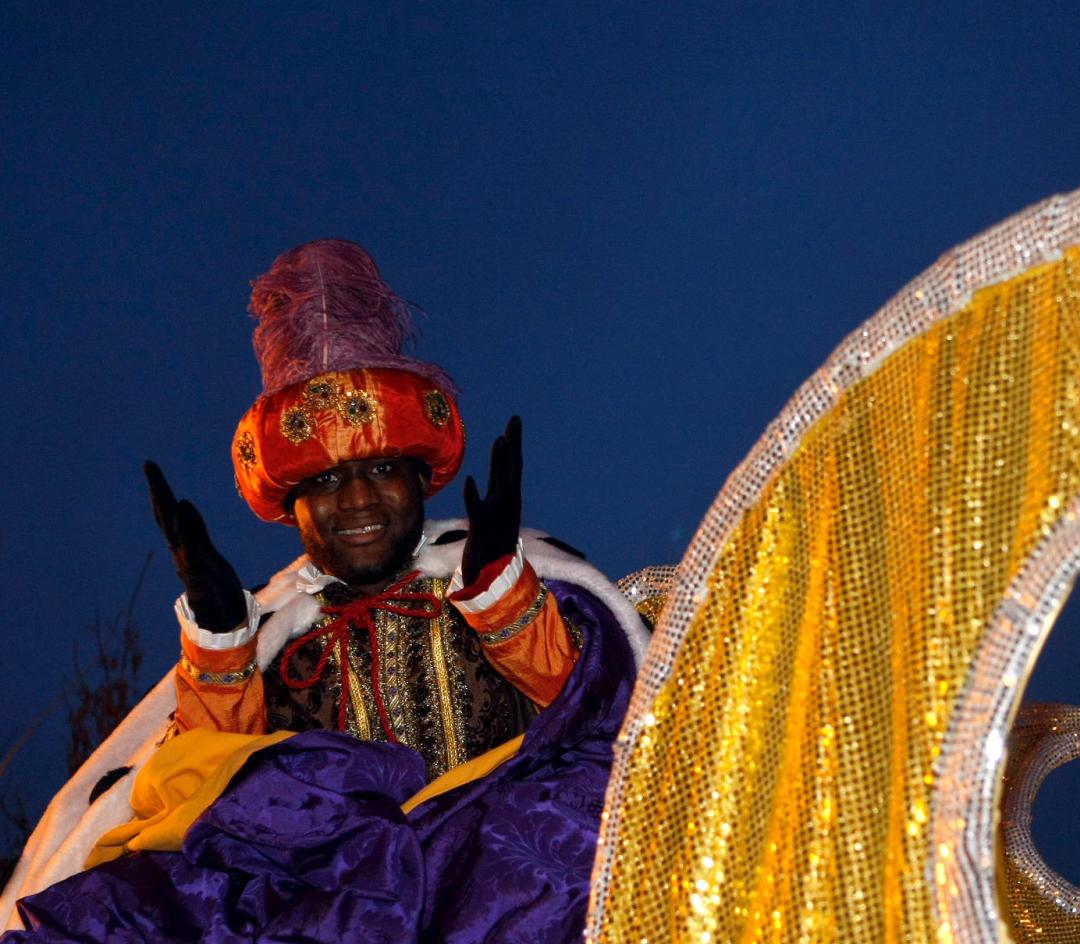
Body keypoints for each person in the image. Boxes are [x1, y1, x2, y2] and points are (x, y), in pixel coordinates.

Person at [0, 240, 648, 940]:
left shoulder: (498, 583)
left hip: (492, 886)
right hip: (325, 909)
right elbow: (192, 791)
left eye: (381, 470)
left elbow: (606, 714)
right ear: (293, 508)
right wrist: (222, 644)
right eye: (327, 481)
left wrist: (501, 594)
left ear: (417, 481)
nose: (359, 500)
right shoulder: (281, 631)